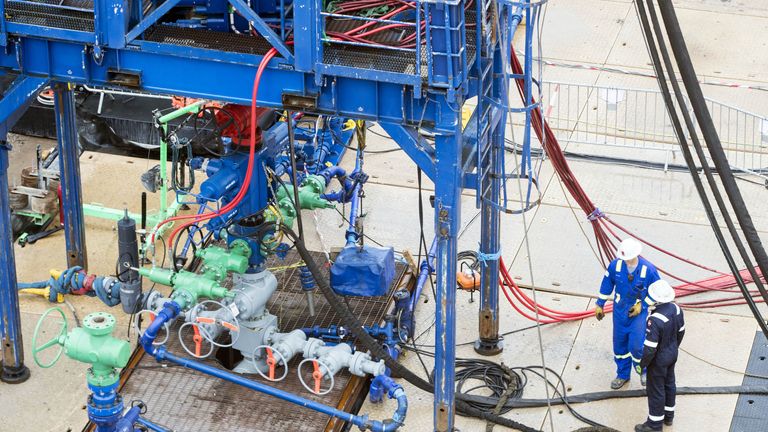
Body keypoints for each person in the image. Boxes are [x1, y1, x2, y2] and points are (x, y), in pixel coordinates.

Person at [595, 238, 660, 389]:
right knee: (619, 346)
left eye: (628, 258)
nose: (626, 261)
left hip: (637, 314)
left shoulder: (648, 270)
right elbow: (607, 284)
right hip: (620, 312)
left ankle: (644, 370)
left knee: (636, 346)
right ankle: (622, 375)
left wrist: (642, 305)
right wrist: (600, 304)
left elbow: (658, 290)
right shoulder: (615, 266)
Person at [635, 279, 684, 432]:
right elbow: (681, 331)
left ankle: (654, 425)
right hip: (672, 354)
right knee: (670, 385)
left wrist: (642, 364)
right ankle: (669, 417)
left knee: (656, 390)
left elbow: (650, 349)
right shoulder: (676, 309)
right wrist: (673, 347)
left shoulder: (654, 319)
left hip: (658, 360)